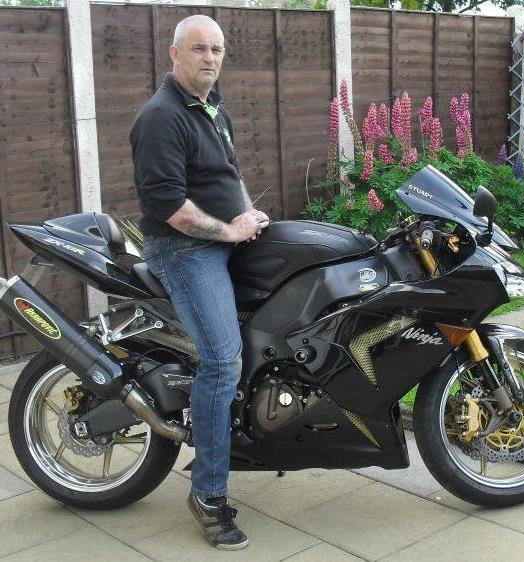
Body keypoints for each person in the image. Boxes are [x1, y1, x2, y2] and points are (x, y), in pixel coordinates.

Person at [129, 14, 269, 551]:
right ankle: (208, 495)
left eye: (217, 49)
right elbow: (167, 205)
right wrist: (228, 230)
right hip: (185, 250)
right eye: (199, 49)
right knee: (222, 361)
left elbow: (229, 176)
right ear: (174, 54)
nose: (210, 58)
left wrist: (248, 215)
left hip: (225, 241)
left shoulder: (212, 108)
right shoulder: (160, 117)